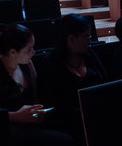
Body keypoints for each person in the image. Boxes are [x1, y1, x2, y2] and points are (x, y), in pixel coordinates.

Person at [0, 24, 73, 145]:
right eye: (29, 49)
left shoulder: (27, 63)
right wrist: (15, 116)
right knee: (63, 141)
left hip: (25, 126)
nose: (33, 52)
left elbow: (35, 96)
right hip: (1, 128)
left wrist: (38, 113)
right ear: (12, 52)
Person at [39, 14, 107, 142]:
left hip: (97, 115)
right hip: (68, 123)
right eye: (87, 37)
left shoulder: (89, 54)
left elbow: (105, 82)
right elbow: (49, 103)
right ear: (71, 39)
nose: (90, 41)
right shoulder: (50, 63)